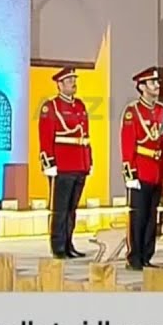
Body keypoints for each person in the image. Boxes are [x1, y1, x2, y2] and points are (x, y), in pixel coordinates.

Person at [37, 67, 92, 259]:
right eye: (69, 81)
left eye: (74, 80)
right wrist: (49, 162)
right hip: (62, 164)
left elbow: (85, 136)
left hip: (79, 164)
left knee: (71, 210)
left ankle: (69, 244)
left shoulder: (80, 105)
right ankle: (58, 246)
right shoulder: (51, 107)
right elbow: (45, 136)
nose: (73, 83)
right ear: (59, 85)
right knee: (60, 209)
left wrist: (88, 161)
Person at [120, 66, 163, 270]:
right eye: (152, 82)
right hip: (140, 170)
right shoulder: (133, 112)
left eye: (157, 82)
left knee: (151, 217)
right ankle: (134, 258)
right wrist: (129, 172)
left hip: (156, 170)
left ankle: (147, 256)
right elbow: (127, 144)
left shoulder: (162, 111)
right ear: (141, 87)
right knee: (138, 216)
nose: (157, 86)